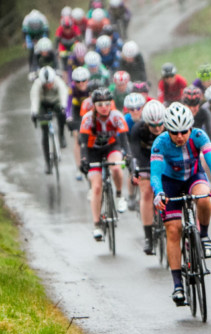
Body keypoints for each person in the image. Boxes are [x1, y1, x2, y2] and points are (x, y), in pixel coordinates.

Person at [150, 103, 211, 305]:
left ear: (190, 128)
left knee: (204, 197)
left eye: (184, 131)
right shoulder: (160, 143)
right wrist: (159, 194)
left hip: (193, 177)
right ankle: (177, 285)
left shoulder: (199, 136)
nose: (180, 136)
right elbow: (155, 175)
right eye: (175, 132)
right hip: (170, 183)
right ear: (168, 130)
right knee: (174, 230)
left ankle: (204, 236)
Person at [79, 88, 130, 239]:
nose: (104, 107)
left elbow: (124, 140)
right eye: (100, 104)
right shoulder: (88, 119)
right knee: (96, 187)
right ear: (94, 105)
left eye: (107, 103)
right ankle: (96, 224)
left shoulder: (116, 116)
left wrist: (128, 155)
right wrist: (83, 160)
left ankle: (120, 195)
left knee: (116, 168)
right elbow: (82, 143)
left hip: (111, 147)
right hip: (92, 150)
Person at [129, 100, 166, 253]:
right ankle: (148, 237)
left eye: (160, 125)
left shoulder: (170, 127)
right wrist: (135, 171)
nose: (157, 129)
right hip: (146, 160)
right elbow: (134, 155)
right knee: (146, 193)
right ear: (146, 123)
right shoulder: (138, 129)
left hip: (164, 159)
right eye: (153, 126)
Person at [30, 66, 68, 174]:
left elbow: (63, 94)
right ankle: (47, 163)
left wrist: (63, 107)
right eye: (46, 84)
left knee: (62, 113)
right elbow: (35, 99)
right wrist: (34, 113)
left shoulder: (58, 81)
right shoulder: (37, 84)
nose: (48, 86)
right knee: (45, 132)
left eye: (50, 83)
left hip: (56, 102)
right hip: (43, 104)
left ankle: (61, 135)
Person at [66, 67, 92, 181]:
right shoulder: (72, 88)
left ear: (88, 80)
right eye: (78, 81)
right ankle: (78, 167)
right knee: (78, 139)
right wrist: (68, 117)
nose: (81, 84)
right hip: (77, 112)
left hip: (89, 111)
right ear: (74, 82)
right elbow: (68, 105)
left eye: (83, 81)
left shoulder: (91, 88)